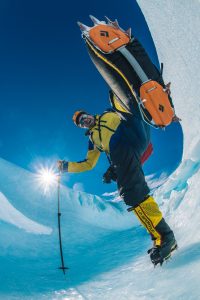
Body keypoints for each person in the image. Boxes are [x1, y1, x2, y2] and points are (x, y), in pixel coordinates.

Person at [57, 103, 177, 266]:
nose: (85, 121)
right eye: (81, 123)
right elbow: (88, 164)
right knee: (132, 196)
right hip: (125, 154)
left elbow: (123, 110)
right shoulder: (93, 140)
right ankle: (161, 237)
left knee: (124, 106)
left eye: (84, 117)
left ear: (89, 114)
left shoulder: (108, 113)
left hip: (133, 136)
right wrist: (66, 166)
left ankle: (166, 237)